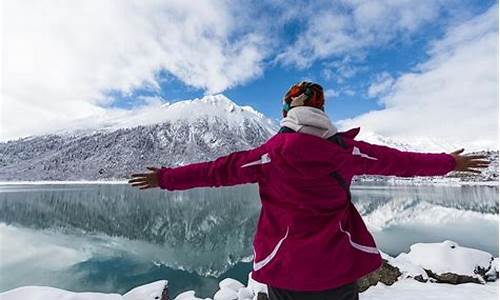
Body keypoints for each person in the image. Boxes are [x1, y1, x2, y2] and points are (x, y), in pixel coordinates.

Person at [128, 81, 489, 300]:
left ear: (287, 110)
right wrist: (448, 163)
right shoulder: (348, 152)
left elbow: (215, 172)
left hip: (287, 271)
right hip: (338, 269)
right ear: (321, 109)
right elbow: (401, 163)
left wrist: (166, 179)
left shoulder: (268, 156)